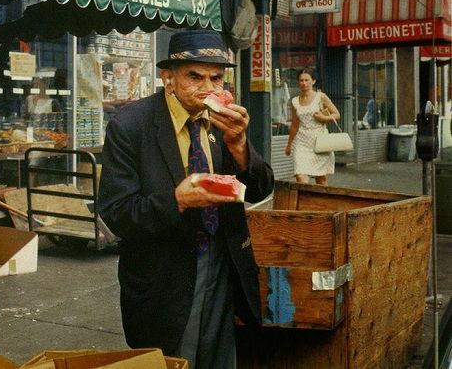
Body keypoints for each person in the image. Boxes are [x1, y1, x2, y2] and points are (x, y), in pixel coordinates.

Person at [98, 30, 274, 369]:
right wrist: (176, 200)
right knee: (174, 358)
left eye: (216, 77)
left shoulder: (223, 123)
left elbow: (261, 188)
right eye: (195, 75)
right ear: (169, 78)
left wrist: (239, 148)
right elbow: (116, 212)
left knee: (221, 357)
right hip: (165, 273)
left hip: (222, 262)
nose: (208, 87)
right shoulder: (131, 125)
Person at [285, 67, 340, 185]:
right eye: (301, 80)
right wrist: (289, 144)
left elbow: (337, 114)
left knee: (321, 180)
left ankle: (322, 203)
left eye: (307, 80)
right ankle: (304, 203)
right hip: (302, 142)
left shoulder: (321, 97)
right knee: (300, 177)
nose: (304, 83)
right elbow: (295, 125)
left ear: (313, 81)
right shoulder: (295, 101)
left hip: (320, 142)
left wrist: (324, 118)